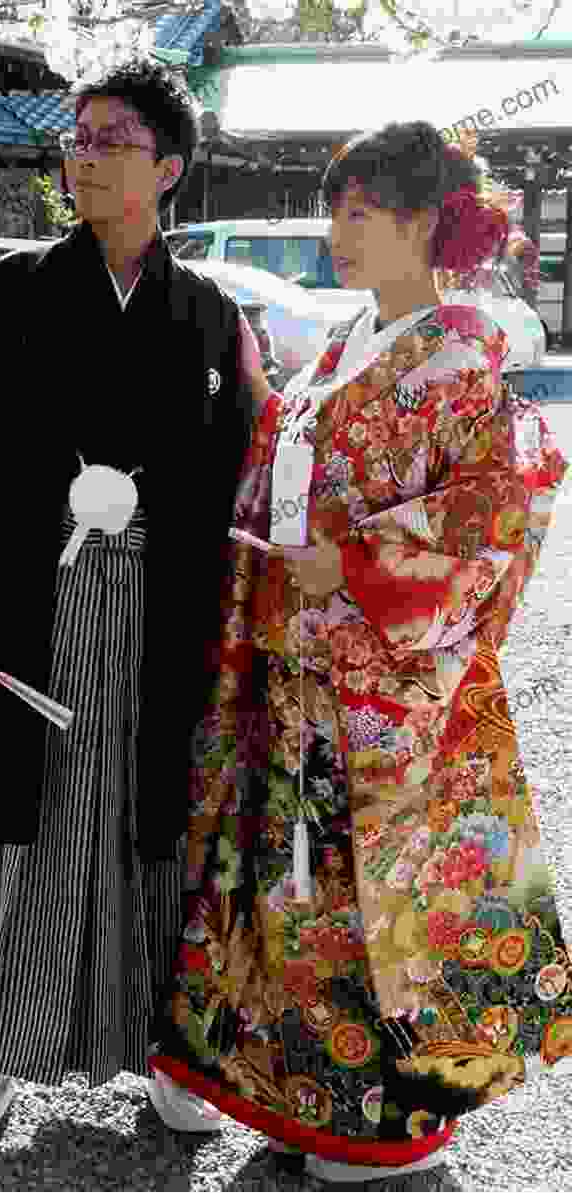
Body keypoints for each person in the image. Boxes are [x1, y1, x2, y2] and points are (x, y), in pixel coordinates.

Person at [148, 121, 571, 1182]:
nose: (338, 231)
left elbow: (498, 509)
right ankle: (309, 1095)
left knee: (385, 893)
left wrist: (365, 560)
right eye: (337, 208)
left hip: (393, 688)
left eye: (360, 211)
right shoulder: (346, 342)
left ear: (426, 221)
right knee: (304, 890)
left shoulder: (464, 346)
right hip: (302, 671)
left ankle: (389, 1125)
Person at [0, 56, 267, 1130]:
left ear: (166, 169)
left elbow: (243, 472)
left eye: (111, 137)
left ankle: (167, 1050)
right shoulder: (12, 289)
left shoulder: (210, 312)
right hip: (36, 600)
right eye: (77, 136)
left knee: (150, 826)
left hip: (162, 610)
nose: (84, 154)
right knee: (28, 822)